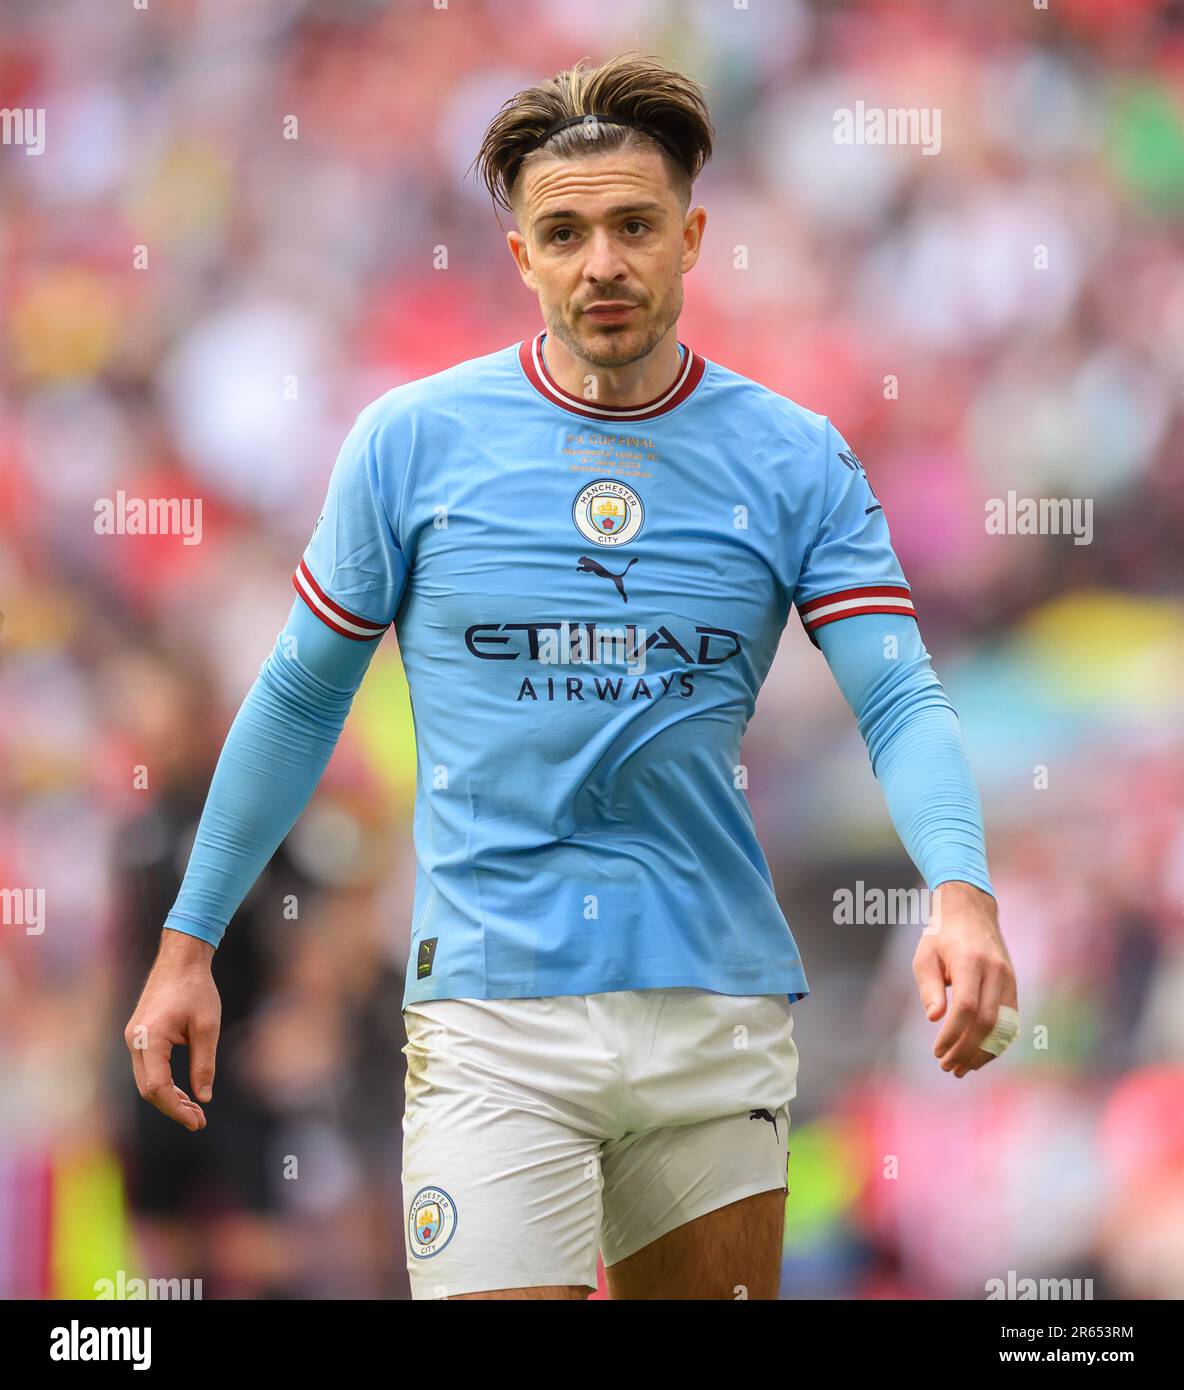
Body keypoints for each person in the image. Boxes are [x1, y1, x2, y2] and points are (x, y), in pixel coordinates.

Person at [125, 51, 1018, 1301]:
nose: (601, 260)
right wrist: (190, 943)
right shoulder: (412, 444)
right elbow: (297, 698)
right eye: (565, 230)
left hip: (710, 1001)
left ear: (691, 237)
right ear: (520, 258)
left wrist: (960, 891)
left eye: (633, 224)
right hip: (494, 1018)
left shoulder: (792, 458)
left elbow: (897, 695)